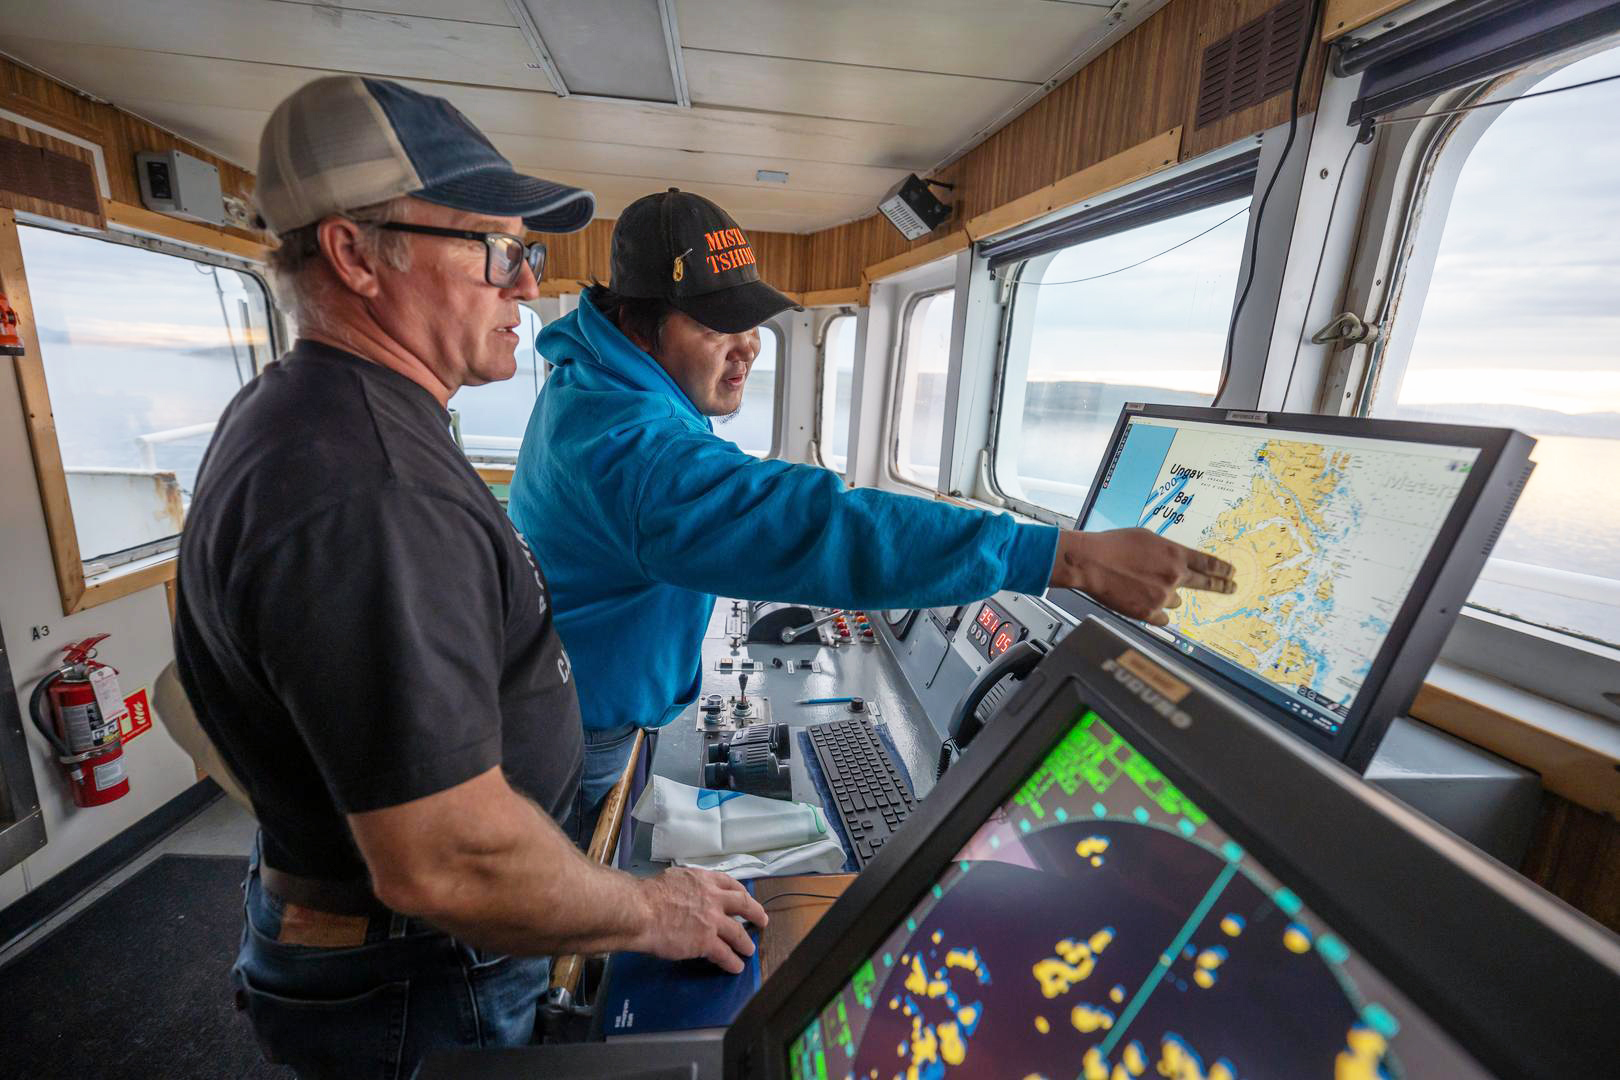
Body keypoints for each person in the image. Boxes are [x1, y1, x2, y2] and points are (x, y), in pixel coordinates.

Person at [174, 82, 766, 1079]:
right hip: (422, 972)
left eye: (523, 253)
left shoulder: (323, 412)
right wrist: (648, 910)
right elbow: (447, 859)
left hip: (392, 945)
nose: (527, 285)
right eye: (495, 249)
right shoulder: (370, 485)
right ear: (355, 254)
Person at [507, 188, 1236, 835]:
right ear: (640, 326)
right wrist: (1064, 556)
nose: (749, 347)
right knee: (567, 921)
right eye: (715, 325)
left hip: (584, 702)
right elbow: (811, 524)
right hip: (586, 735)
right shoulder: (628, 446)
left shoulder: (601, 384)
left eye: (750, 321)